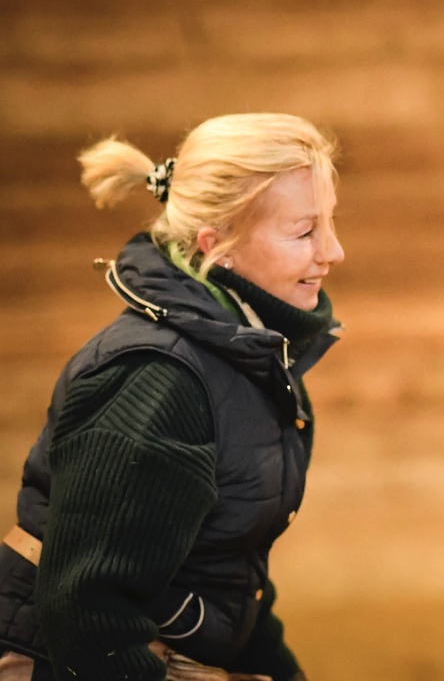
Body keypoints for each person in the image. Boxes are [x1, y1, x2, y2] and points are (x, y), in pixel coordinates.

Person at [0, 113, 346, 680]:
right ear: (218, 247)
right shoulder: (155, 380)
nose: (333, 251)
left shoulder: (247, 357)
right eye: (305, 232)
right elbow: (88, 614)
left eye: (330, 224)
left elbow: (230, 569)